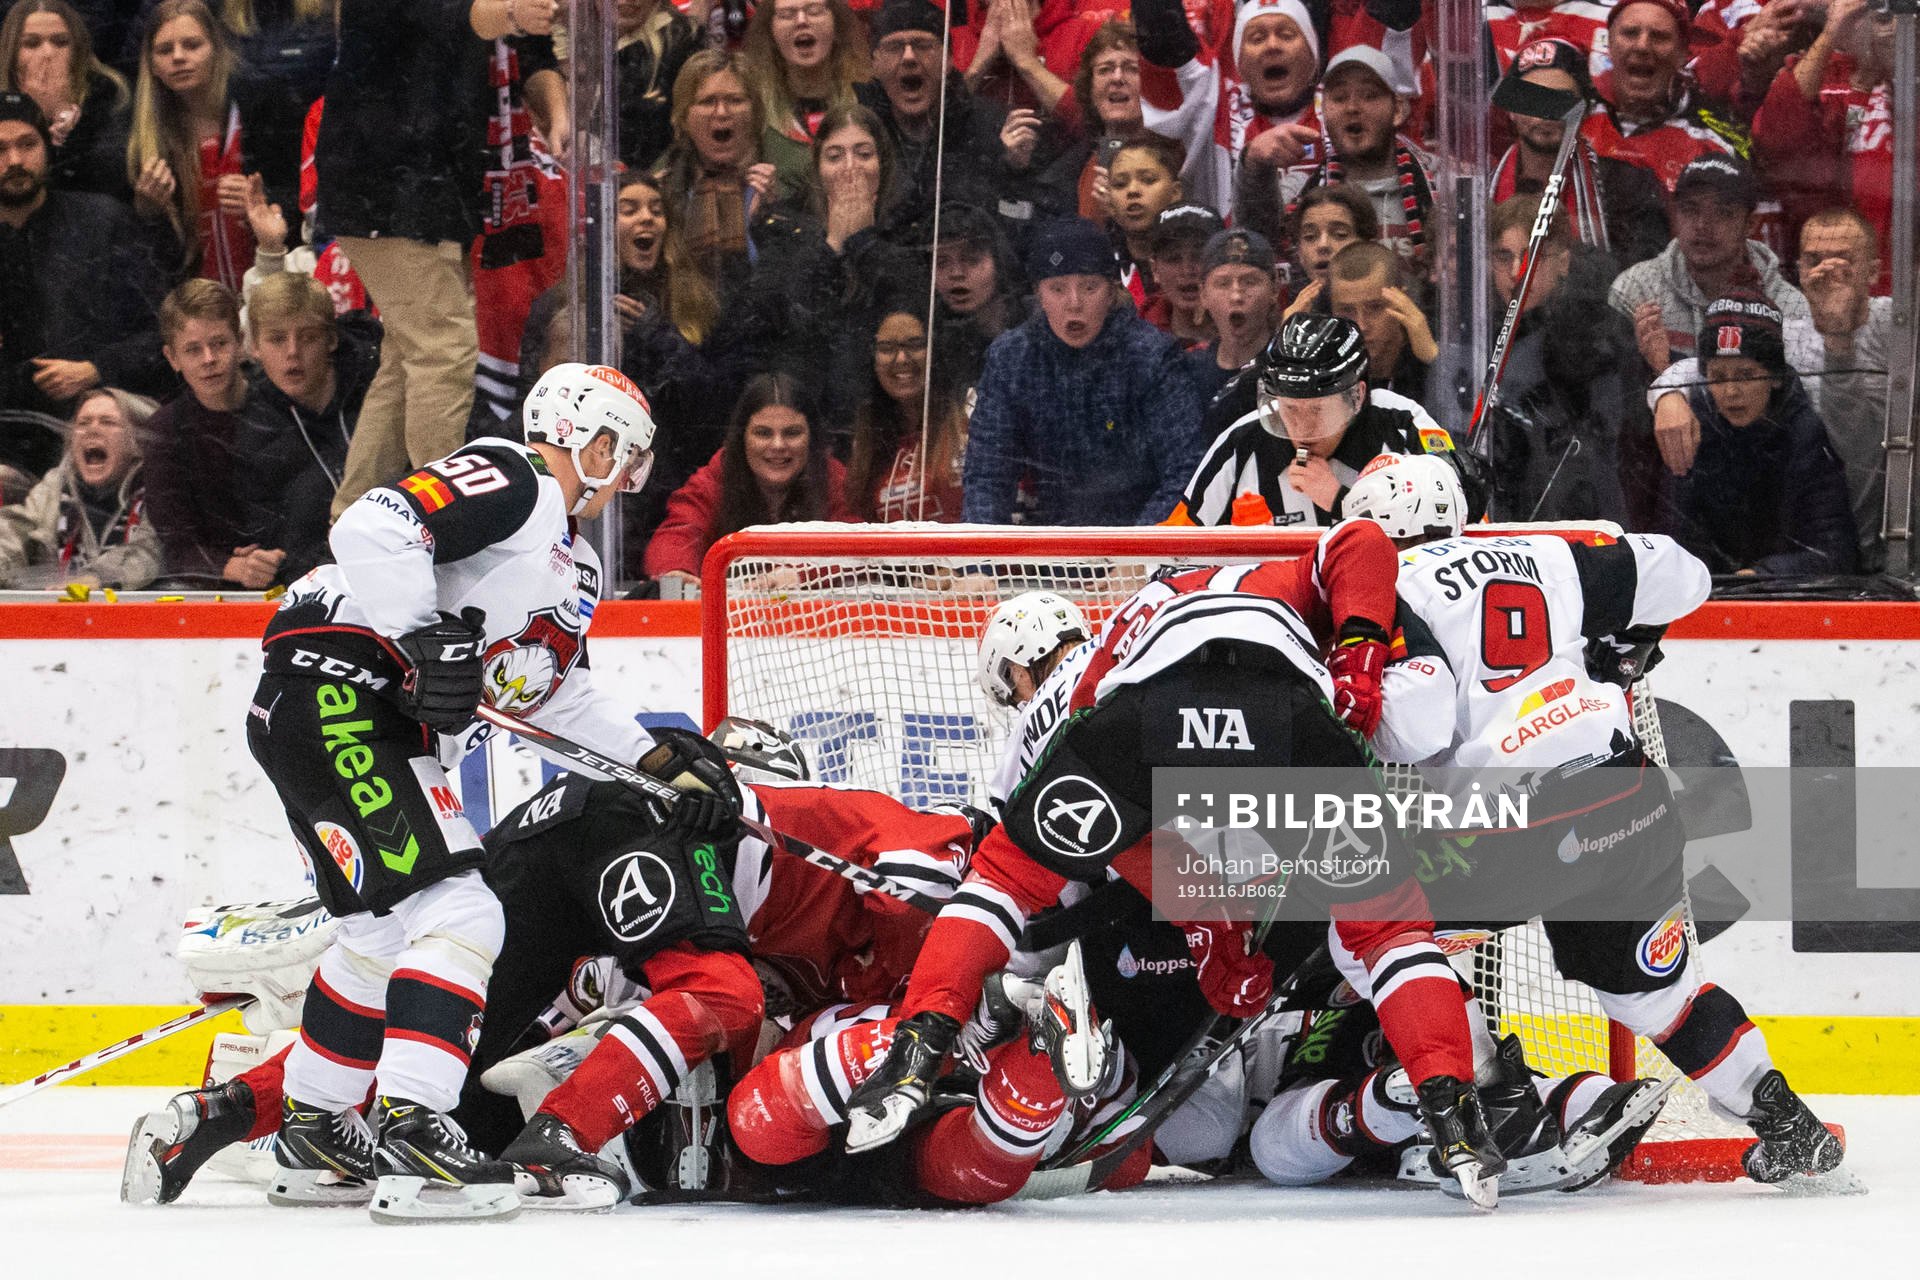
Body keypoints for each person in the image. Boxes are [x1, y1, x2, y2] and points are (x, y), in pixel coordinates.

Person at [842, 531, 1511, 1205]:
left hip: (1147, 792)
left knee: (1005, 880)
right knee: (1386, 928)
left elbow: (1108, 790)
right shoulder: (1275, 577)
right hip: (1282, 736)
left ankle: (920, 1045)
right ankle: (1449, 1100)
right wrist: (1362, 651)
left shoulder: (1118, 629)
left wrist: (1205, 924)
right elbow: (1364, 542)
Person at [240, 361, 722, 1221]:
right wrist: (423, 634)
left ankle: (315, 1128)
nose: (632, 479)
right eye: (629, 455)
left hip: (344, 712)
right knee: (464, 913)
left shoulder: (570, 570)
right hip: (342, 690)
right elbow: (375, 524)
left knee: (382, 932)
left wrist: (655, 765)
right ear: (596, 439)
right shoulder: (518, 476)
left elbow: (556, 695)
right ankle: (417, 1134)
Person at [1345, 451, 1846, 1185]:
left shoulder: (1391, 594)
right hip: (1627, 799)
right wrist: (1619, 640)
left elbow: (1415, 732)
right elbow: (1684, 573)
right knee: (1657, 994)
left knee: (1370, 930)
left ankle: (1501, 1097)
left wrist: (1362, 711)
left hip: (1510, 824)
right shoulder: (1546, 551)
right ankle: (1788, 1125)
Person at [318, 0, 556, 519]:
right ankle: (443, 519)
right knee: (443, 350)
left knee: (409, 356)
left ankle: (353, 517)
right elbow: (449, 14)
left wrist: (560, 121)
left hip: (433, 183)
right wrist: (517, 12)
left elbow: (533, 58)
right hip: (382, 178)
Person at [961, 216, 1203, 526]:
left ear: (1111, 289)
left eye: (1089, 287)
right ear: (1038, 294)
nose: (1074, 304)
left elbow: (1185, 470)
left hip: (1143, 541)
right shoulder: (1012, 357)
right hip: (1052, 543)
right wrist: (977, 566)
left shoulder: (1152, 355)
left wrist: (1136, 556)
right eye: (1058, 289)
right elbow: (987, 474)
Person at [1446, 194, 1642, 524]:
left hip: (1579, 514)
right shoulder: (1473, 330)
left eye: (1532, 258)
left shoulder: (1599, 332)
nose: (1515, 272)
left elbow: (1604, 434)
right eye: (1502, 256)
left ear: (1563, 263)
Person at [1165, 312, 1460, 529]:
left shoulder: (1401, 423)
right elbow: (1171, 548)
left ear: (1356, 397)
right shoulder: (1242, 442)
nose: (1301, 429)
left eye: (1317, 411)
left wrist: (1343, 503)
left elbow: (1465, 516)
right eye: (1290, 410)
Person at [1641, 293, 1859, 577]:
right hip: (1707, 602)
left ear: (1775, 377)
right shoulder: (1691, 431)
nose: (1731, 392)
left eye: (1746, 375)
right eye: (1718, 378)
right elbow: (1670, 542)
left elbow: (1836, 553)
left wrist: (1762, 577)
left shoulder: (1807, 434)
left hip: (1788, 605)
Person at [0, 92, 170, 455]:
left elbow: (162, 332)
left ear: (46, 146)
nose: (14, 160)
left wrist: (95, 369)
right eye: (0, 149)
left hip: (102, 422)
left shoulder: (102, 222)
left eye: (27, 144)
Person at [734, 103, 921, 433]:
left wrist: (864, 241)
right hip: (808, 420)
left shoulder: (913, 224)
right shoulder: (786, 231)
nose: (850, 168)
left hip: (888, 418)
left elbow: (906, 311)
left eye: (863, 154)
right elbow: (792, 326)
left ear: (883, 164)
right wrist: (833, 245)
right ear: (818, 169)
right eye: (835, 156)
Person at [125, 1, 299, 291]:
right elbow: (147, 258)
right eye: (165, 50)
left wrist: (264, 203)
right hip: (195, 304)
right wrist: (149, 212)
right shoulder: (144, 137)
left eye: (192, 45)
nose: (178, 57)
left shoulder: (265, 106)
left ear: (217, 50)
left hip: (272, 288)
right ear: (152, 65)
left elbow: (303, 198)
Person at [1608, 154, 1818, 375]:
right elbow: (1613, 398)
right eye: (1690, 209)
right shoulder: (1635, 290)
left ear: (1750, 224)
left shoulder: (1787, 306)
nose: (1702, 225)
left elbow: (1804, 401)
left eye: (1723, 213)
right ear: (1674, 214)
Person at [644, 373, 856, 590]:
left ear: (812, 438)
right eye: (763, 433)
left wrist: (804, 574)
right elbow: (680, 530)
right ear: (742, 438)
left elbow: (857, 549)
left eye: (792, 433)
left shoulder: (834, 479)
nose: (777, 445)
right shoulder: (719, 475)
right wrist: (677, 572)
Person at [234, 271, 380, 585]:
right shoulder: (255, 430)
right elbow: (277, 549)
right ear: (254, 346)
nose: (292, 352)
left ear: (331, 338)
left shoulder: (380, 381)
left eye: (308, 337)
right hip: (327, 586)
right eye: (276, 338)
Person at [138, 277, 284, 587]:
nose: (209, 360)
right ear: (172, 358)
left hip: (295, 568)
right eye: (193, 349)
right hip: (212, 590)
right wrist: (231, 567)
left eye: (219, 343)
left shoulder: (282, 405)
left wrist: (274, 553)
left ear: (240, 341)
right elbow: (175, 546)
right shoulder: (164, 432)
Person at [1751, 0, 1898, 293]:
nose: (1883, 25)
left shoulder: (1908, 83)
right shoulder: (1815, 73)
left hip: (1900, 288)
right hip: (1822, 282)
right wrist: (1831, 32)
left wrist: (1903, 66)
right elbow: (1776, 140)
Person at [1130, 0, 1327, 215]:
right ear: (1239, 60)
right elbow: (1173, 69)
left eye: (1286, 35)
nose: (1272, 46)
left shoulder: (1342, 102)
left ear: (1312, 53)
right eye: (1257, 38)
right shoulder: (1217, 109)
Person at [1489, 38, 1669, 270]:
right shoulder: (1480, 192)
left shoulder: (1629, 187)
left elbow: (1642, 280)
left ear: (1585, 110)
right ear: (1511, 110)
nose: (1545, 114)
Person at [1261, 45, 1435, 277]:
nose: (1352, 108)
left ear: (1399, 110)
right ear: (1323, 112)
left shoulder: (1442, 184)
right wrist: (1253, 164)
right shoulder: (1300, 191)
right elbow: (1256, 239)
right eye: (1340, 98)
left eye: (1369, 96)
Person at [1787, 208, 1895, 570]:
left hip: (1895, 541)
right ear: (1800, 271)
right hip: (1814, 544)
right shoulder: (1786, 337)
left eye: (1843, 261)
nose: (1827, 273)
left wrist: (1839, 337)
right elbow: (1710, 370)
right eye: (1814, 261)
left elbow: (1863, 440)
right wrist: (1668, 391)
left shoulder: (1901, 327)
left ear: (1874, 272)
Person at [855, 0, 1013, 236]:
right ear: (874, 63)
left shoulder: (993, 127)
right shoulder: (857, 131)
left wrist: (1011, 166)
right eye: (894, 47)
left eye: (922, 45)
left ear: (948, 59)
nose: (908, 57)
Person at [0, 386, 160, 589]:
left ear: (137, 441)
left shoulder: (159, 484)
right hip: (59, 612)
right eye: (83, 423)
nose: (92, 429)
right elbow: (14, 529)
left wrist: (97, 578)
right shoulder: (55, 486)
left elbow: (150, 549)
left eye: (108, 422)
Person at [653, 49, 778, 304]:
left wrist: (775, 219)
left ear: (755, 112)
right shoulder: (662, 187)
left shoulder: (791, 174)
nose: (721, 112)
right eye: (707, 101)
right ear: (684, 118)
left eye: (735, 100)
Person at [1580, 0, 1744, 194]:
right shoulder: (1576, 114)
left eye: (1659, 37)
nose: (1642, 46)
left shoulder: (1715, 143)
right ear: (1609, 43)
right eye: (1630, 33)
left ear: (1683, 53)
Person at [0, 0, 133, 200]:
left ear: (77, 50)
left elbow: (112, 178)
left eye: (61, 42)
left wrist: (69, 133)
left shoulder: (110, 93)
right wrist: (36, 114)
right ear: (12, 54)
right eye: (31, 43)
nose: (47, 53)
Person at [847, 308, 969, 522]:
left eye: (915, 345)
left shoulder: (968, 420)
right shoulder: (866, 438)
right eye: (887, 348)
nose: (901, 358)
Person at [741, 0, 869, 191]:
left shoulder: (869, 99)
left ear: (837, 26)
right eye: (787, 14)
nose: (801, 21)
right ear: (770, 33)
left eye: (815, 11)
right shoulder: (754, 106)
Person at [1320, 240, 1435, 405]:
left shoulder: (1427, 361)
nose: (1362, 325)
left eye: (1375, 307)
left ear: (1402, 302)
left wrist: (1433, 358)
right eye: (1347, 311)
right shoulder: (1324, 370)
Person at [1185, 226, 1279, 404]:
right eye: (1223, 283)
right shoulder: (1189, 372)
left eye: (1250, 282)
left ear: (1274, 289)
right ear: (1203, 294)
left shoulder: (1292, 369)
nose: (1236, 295)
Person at [1103, 132, 1189, 308]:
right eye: (1120, 184)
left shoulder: (1198, 263)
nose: (1132, 190)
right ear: (1110, 204)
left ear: (1175, 193)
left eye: (1148, 180)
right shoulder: (1098, 267)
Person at [1140, 201, 1221, 341]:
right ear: (1155, 269)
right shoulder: (1134, 343)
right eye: (1173, 258)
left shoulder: (1255, 335)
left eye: (1199, 256)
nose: (1187, 270)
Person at [1283, 181, 1374, 297]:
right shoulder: (1293, 313)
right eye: (1310, 237)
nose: (1323, 245)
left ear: (1368, 248)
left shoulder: (1395, 312)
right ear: (1299, 253)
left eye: (1340, 235)